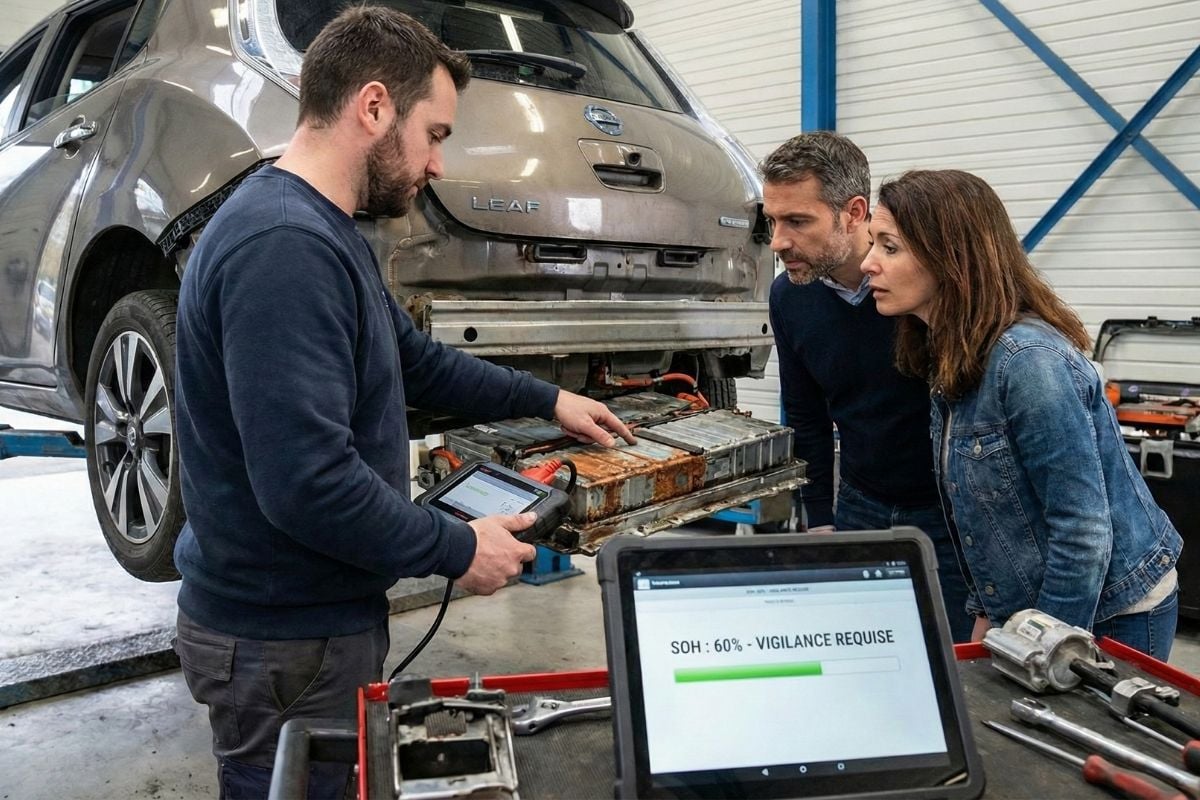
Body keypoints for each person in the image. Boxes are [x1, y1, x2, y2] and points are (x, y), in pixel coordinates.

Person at [170, 8, 635, 798]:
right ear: (375, 107)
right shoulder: (283, 248)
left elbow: (414, 363)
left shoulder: (319, 229)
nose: (438, 164)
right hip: (285, 639)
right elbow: (307, 483)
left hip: (309, 627)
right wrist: (457, 549)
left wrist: (549, 398)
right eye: (435, 134)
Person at [861, 168, 1181, 658]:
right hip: (1030, 606)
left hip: (1112, 610)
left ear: (951, 256)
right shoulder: (952, 350)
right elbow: (981, 516)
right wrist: (987, 617)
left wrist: (1043, 651)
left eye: (889, 247)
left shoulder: (1028, 362)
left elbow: (1082, 532)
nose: (868, 263)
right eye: (873, 245)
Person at [762, 132, 973, 642]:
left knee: (952, 657)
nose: (778, 242)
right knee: (864, 645)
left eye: (797, 221)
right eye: (772, 221)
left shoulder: (922, 291)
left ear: (853, 213)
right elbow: (805, 412)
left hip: (948, 515)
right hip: (860, 505)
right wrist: (819, 517)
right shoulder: (790, 297)